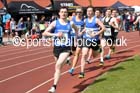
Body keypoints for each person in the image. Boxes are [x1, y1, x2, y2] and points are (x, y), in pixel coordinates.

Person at [42, 7, 78, 93]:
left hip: (66, 48)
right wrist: (55, 34)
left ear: (67, 14)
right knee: (58, 68)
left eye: (65, 12)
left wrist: (75, 40)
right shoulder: (55, 23)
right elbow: (44, 33)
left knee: (58, 65)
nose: (63, 14)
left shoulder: (71, 23)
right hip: (57, 48)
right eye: (62, 12)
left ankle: (54, 87)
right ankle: (67, 61)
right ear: (59, 13)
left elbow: (77, 30)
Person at [79, 6, 105, 78]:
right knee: (84, 54)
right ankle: (82, 72)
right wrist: (82, 32)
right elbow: (86, 28)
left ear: (93, 12)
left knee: (94, 55)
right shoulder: (85, 20)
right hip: (86, 39)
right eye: (87, 11)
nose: (89, 12)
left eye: (90, 11)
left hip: (95, 40)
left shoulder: (96, 20)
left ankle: (98, 49)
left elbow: (103, 28)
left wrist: (96, 34)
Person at [68, 7, 85, 74]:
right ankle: (69, 58)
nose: (78, 13)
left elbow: (86, 28)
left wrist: (82, 32)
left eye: (80, 12)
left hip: (80, 38)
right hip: (72, 37)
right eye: (77, 12)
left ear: (82, 12)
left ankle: (72, 68)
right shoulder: (72, 18)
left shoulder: (84, 20)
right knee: (73, 52)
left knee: (77, 53)